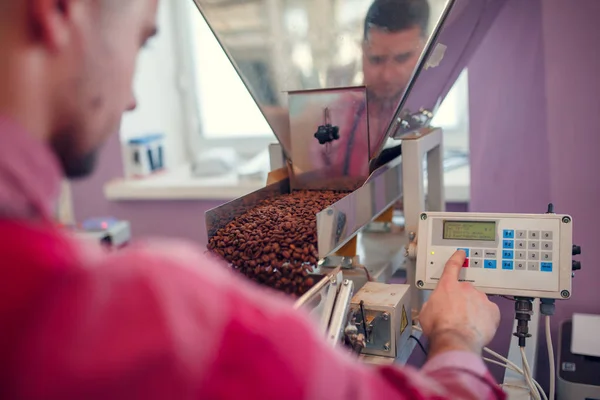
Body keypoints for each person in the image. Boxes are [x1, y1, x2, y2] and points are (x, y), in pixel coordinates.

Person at [0, 0, 504, 399]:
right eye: (142, 40)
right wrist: (457, 336)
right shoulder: (166, 314)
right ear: (58, 9)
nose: (132, 99)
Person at [309, 0, 428, 180]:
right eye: (376, 59)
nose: (387, 76)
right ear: (363, 51)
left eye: (402, 58)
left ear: (426, 50)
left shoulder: (428, 109)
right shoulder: (335, 115)